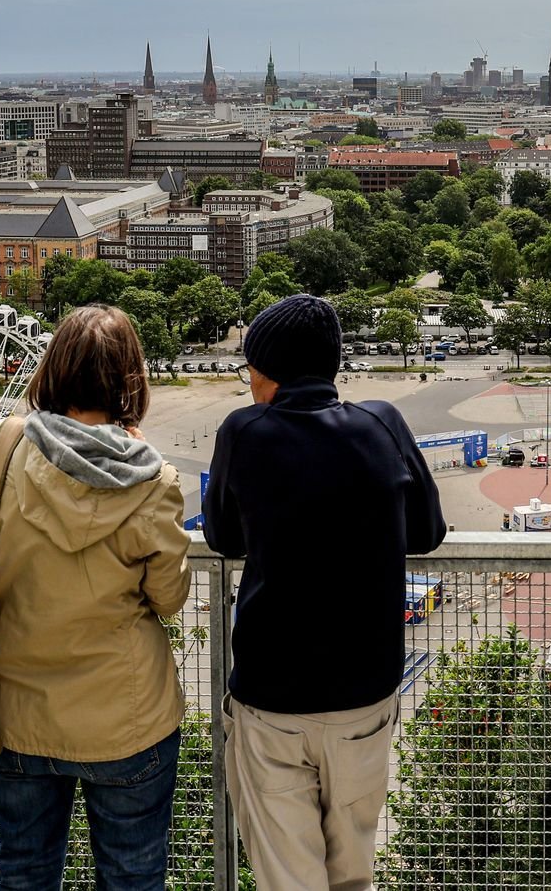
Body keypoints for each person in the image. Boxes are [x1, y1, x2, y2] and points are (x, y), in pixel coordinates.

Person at [204, 294, 447, 891]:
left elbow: (221, 535)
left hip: (272, 699)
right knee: (352, 874)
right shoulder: (382, 423)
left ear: (268, 372)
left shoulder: (244, 432)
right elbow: (428, 531)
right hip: (363, 696)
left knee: (289, 877)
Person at [0, 304, 192, 891]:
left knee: (24, 872)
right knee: (133, 876)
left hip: (14, 708)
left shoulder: (0, 447)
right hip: (124, 716)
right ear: (131, 379)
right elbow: (168, 598)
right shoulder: (155, 481)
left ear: (53, 369)